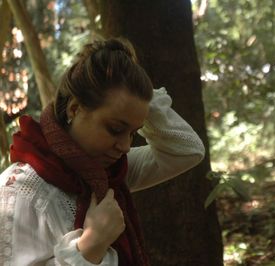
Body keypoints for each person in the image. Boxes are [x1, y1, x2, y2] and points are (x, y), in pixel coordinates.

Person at [0, 38, 205, 265]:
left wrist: (142, 96)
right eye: (116, 129)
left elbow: (188, 150)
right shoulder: (21, 190)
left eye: (133, 132)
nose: (126, 146)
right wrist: (90, 247)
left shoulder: (111, 173)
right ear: (75, 108)